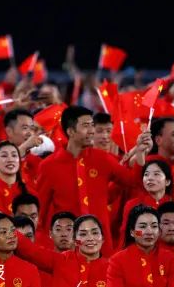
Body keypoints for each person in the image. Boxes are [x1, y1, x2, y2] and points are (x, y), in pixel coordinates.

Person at [37, 106, 148, 256]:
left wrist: (140, 152)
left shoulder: (103, 159)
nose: (91, 131)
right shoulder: (49, 166)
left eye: (92, 125)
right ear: (70, 131)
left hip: (101, 244)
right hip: (68, 247)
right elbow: (41, 213)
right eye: (85, 126)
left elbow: (133, 181)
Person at [15, 214, 109, 287]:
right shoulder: (61, 260)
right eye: (83, 234)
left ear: (103, 238)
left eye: (95, 233)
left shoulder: (111, 268)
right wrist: (8, 228)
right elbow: (31, 250)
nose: (90, 238)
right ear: (75, 240)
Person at [121, 160, 174, 242]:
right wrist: (145, 233)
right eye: (146, 174)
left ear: (167, 181)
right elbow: (128, 233)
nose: (150, 178)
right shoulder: (132, 205)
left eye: (156, 174)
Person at [107, 205, 174, 287]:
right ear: (132, 232)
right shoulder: (117, 261)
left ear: (159, 231)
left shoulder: (170, 259)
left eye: (154, 226)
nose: (149, 232)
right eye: (143, 226)